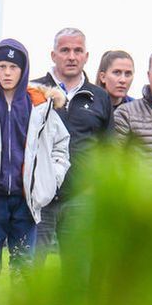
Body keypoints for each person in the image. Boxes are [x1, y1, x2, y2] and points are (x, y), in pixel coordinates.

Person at [0, 38, 70, 305]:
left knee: (23, 266)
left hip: (27, 200)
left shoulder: (40, 106)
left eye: (13, 66)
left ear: (23, 70)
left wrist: (51, 179)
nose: (7, 73)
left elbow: (61, 145)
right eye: (1, 66)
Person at [32, 28, 112, 257]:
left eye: (78, 51)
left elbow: (107, 147)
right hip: (40, 195)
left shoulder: (100, 96)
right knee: (29, 270)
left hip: (81, 197)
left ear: (86, 56)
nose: (71, 56)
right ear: (53, 54)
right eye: (65, 50)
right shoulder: (34, 91)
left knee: (78, 274)